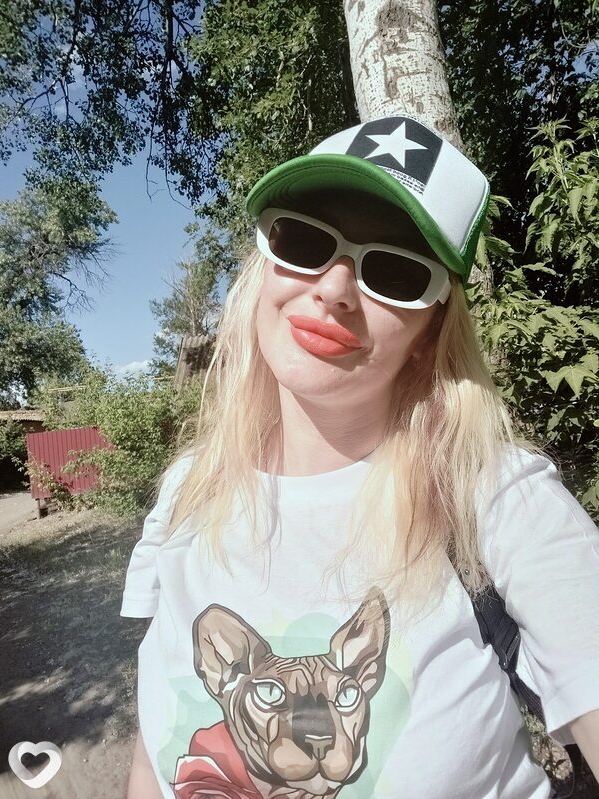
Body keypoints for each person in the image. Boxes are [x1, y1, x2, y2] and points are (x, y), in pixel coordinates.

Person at [120, 115, 599, 799]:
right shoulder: (187, 490)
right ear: (263, 267)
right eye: (305, 239)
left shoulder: (497, 498)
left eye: (397, 271)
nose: (335, 288)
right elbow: (153, 752)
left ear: (430, 332)